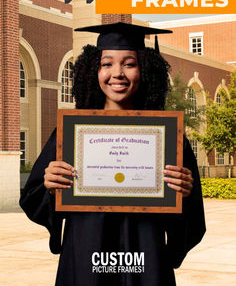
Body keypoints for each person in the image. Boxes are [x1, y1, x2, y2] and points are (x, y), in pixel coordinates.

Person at [20, 22, 206, 286]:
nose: (117, 73)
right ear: (93, 71)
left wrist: (184, 194)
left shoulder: (168, 138)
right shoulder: (71, 133)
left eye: (129, 63)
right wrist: (50, 186)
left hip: (145, 261)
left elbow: (190, 225)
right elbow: (32, 197)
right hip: (87, 258)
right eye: (107, 64)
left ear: (145, 70)